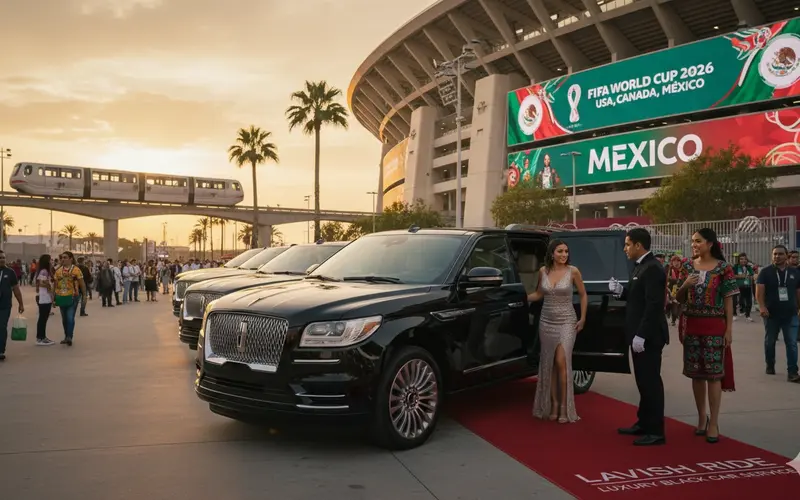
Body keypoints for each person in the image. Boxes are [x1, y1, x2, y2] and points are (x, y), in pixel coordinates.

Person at [675, 229, 737, 444]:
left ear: (710, 243)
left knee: (713, 375)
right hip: (692, 325)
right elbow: (678, 298)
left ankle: (714, 422)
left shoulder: (723, 268)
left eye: (698, 241)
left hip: (714, 326)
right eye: (692, 241)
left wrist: (728, 329)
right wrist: (685, 285)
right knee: (697, 374)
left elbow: (729, 300)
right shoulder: (687, 266)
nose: (694, 244)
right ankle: (702, 416)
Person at [609, 227, 668, 446]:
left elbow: (653, 305)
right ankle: (644, 422)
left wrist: (641, 335)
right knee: (643, 382)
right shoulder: (641, 267)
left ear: (638, 245)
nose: (625, 248)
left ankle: (656, 431)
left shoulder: (652, 268)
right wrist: (620, 291)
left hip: (649, 336)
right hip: (639, 334)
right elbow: (638, 297)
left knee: (651, 382)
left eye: (627, 244)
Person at [527, 239, 588, 423]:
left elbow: (583, 294)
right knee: (549, 364)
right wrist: (522, 295)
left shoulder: (573, 271)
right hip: (546, 322)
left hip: (567, 322)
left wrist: (583, 318)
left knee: (561, 361)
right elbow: (538, 294)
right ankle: (552, 404)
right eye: (560, 251)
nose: (564, 255)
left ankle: (564, 406)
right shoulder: (542, 271)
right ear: (552, 253)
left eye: (566, 251)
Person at [756, 245, 800, 382]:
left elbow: (798, 292)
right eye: (775, 254)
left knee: (792, 343)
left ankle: (792, 372)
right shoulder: (765, 272)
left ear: (786, 256)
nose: (777, 256)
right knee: (770, 342)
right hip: (771, 314)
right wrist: (762, 307)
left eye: (780, 254)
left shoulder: (795, 272)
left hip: (790, 313)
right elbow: (759, 292)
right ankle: (770, 364)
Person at [53, 251, 86, 346]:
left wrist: (84, 296)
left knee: (70, 317)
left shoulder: (76, 270)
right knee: (64, 318)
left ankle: (69, 337)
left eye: (65, 257)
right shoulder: (58, 271)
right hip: (61, 297)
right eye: (62, 258)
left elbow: (82, 283)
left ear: (71, 258)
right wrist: (53, 298)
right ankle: (66, 335)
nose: (63, 259)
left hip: (73, 296)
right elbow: (55, 285)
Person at [0, 250, 25, 361]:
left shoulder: (10, 272)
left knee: (2, 327)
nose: (2, 259)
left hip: (4, 305)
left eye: (3, 257)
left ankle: (1, 350)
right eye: (0, 258)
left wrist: (21, 303)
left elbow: (16, 289)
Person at [35, 253, 55, 346]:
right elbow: (41, 283)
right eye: (50, 259)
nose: (52, 261)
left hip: (46, 297)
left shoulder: (46, 271)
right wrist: (49, 285)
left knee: (43, 318)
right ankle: (41, 338)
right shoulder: (44, 271)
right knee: (43, 318)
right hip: (44, 297)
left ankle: (42, 337)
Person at [733, 253, 755, 322]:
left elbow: (752, 274)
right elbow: (732, 276)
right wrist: (740, 276)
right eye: (741, 259)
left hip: (747, 286)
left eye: (745, 259)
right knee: (735, 301)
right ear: (739, 260)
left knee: (749, 301)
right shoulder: (735, 267)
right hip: (737, 286)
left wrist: (751, 276)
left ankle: (747, 316)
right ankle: (734, 314)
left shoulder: (748, 267)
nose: (743, 260)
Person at [666, 255, 683, 327]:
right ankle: (669, 313)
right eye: (674, 261)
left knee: (677, 307)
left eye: (678, 261)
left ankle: (674, 319)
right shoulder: (669, 269)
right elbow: (667, 279)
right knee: (671, 305)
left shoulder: (683, 270)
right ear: (672, 262)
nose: (676, 263)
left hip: (680, 290)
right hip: (671, 290)